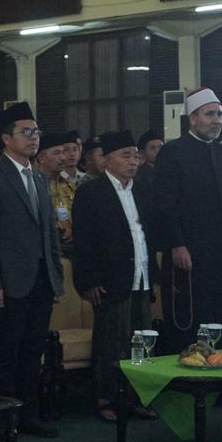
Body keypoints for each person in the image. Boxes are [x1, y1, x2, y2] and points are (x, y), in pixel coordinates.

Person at [0, 102, 64, 438]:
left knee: (33, 349)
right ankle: (1, 417)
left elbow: (49, 231)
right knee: (7, 350)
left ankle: (29, 414)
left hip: (40, 278)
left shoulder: (39, 177)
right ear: (6, 138)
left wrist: (55, 277)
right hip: (8, 280)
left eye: (36, 132)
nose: (33, 138)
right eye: (26, 132)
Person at [154, 88, 222, 351]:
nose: (217, 120)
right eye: (210, 114)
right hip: (193, 256)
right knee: (197, 318)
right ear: (193, 119)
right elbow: (166, 206)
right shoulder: (173, 152)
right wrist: (177, 244)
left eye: (220, 114)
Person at [71, 130, 157, 423]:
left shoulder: (143, 188)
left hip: (141, 274)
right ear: (106, 160)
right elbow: (83, 241)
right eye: (125, 155)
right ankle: (107, 398)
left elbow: (147, 231)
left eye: (136, 156)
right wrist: (89, 280)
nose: (133, 161)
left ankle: (139, 396)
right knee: (111, 342)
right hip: (110, 279)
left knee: (142, 339)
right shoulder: (91, 192)